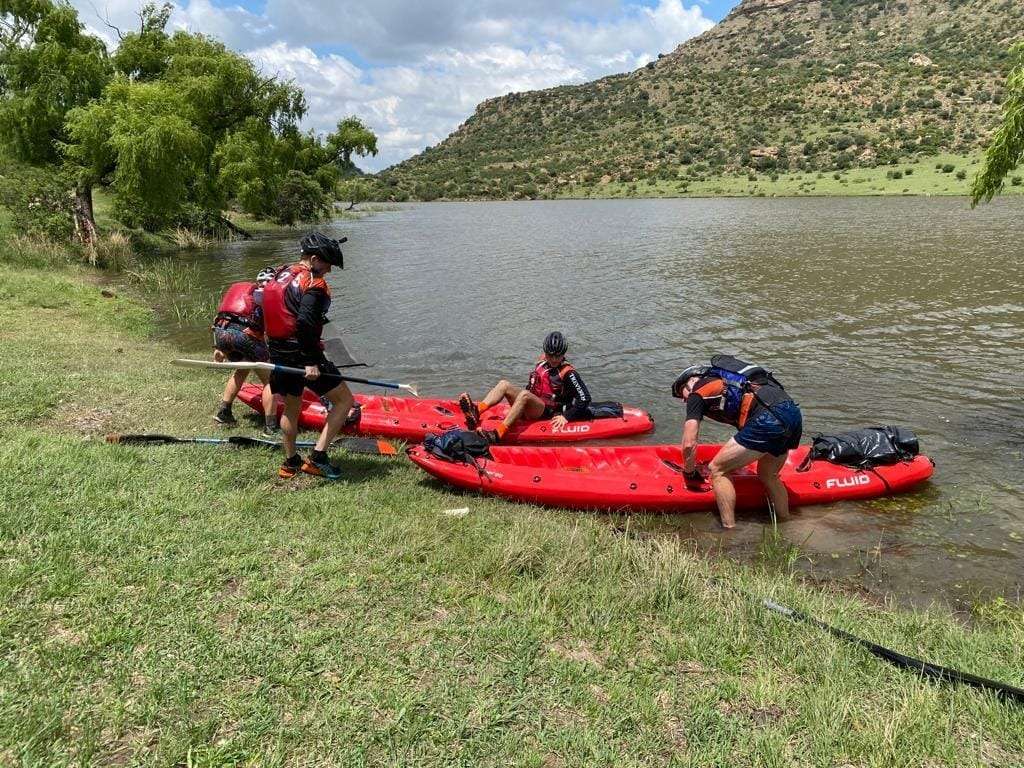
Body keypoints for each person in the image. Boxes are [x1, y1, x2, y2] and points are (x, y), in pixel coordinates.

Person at [671, 356, 802, 529]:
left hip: (769, 419)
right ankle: (786, 524)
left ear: (692, 380)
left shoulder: (698, 391)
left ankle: (729, 529)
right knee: (769, 475)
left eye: (681, 391)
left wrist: (689, 472)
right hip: (793, 415)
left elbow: (689, 443)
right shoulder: (734, 383)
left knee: (717, 469)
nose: (683, 400)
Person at [262, 231, 353, 480]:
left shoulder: (280, 273)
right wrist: (311, 361)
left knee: (292, 405)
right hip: (302, 354)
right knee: (344, 401)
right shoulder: (314, 282)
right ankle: (318, 458)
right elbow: (304, 322)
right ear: (314, 259)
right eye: (327, 264)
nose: (329, 270)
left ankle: (290, 462)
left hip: (278, 350)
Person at [458, 331, 591, 444]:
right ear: (545, 352)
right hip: (533, 405)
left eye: (558, 356)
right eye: (551, 355)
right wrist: (519, 404)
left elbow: (585, 398)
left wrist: (566, 417)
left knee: (524, 395)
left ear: (563, 354)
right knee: (504, 384)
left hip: (548, 412)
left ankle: (497, 435)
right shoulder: (542, 362)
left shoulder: (568, 373)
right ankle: (476, 411)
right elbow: (533, 384)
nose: (554, 359)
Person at [211, 267, 277, 432]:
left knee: (242, 369)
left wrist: (218, 347)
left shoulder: (244, 291)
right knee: (271, 380)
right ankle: (271, 427)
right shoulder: (267, 297)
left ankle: (224, 412)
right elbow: (269, 332)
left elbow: (219, 318)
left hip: (221, 334)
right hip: (244, 337)